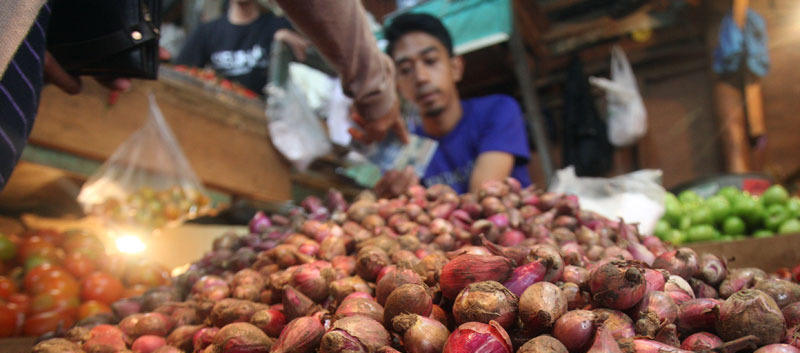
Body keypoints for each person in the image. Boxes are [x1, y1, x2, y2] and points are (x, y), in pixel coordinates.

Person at [0, 0, 405, 191]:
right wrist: (375, 86)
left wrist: (43, 28)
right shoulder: (208, 33)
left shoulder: (274, 26)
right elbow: (183, 71)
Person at [376, 12, 532, 196]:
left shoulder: (498, 110)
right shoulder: (408, 150)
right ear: (398, 86)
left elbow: (483, 196)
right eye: (405, 70)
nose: (420, 77)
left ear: (455, 68)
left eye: (430, 61)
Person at [175, 0, 308, 96]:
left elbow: (308, 68)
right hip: (222, 114)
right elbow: (180, 74)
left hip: (267, 117)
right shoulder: (207, 32)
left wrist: (284, 41)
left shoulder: (278, 26)